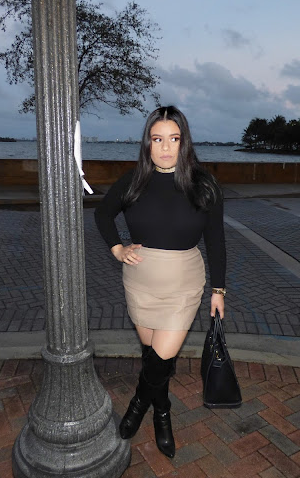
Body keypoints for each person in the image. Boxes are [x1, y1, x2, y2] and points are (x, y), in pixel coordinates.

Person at [95, 106, 226, 458]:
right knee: (155, 359)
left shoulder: (204, 184)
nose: (166, 147)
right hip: (140, 281)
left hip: (184, 282)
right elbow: (103, 213)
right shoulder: (134, 180)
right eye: (157, 139)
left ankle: (139, 406)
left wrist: (218, 290)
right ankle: (162, 411)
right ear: (147, 143)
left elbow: (216, 239)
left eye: (174, 138)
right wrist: (117, 248)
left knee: (162, 355)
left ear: (184, 142)